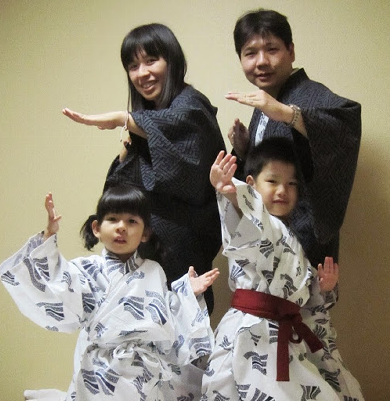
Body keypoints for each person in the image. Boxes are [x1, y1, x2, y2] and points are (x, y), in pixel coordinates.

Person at [0, 185, 220, 400]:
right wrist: (48, 235)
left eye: (132, 221)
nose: (121, 227)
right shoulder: (88, 269)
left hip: (144, 372)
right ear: (97, 228)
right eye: (113, 219)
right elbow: (60, 287)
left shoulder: (153, 271)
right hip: (100, 370)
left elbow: (166, 317)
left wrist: (187, 292)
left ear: (145, 233)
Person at [62, 23, 226, 313]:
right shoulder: (146, 118)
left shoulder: (191, 106)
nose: (142, 73)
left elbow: (186, 165)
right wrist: (126, 153)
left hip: (180, 256)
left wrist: (122, 119)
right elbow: (121, 191)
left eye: (151, 60)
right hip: (141, 259)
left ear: (172, 60)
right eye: (133, 66)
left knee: (182, 332)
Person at [201, 138, 364, 400]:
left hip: (283, 336)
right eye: (273, 181)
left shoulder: (292, 239)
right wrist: (230, 191)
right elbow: (249, 212)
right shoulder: (258, 223)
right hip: (251, 332)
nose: (282, 191)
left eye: (291, 184)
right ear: (251, 184)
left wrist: (322, 288)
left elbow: (302, 294)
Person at [226, 9, 361, 274]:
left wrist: (288, 114)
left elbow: (345, 125)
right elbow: (265, 170)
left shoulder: (309, 95)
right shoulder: (266, 100)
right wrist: (245, 151)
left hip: (303, 243)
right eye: (250, 53)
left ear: (291, 51)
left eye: (272, 49)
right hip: (265, 240)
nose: (261, 62)